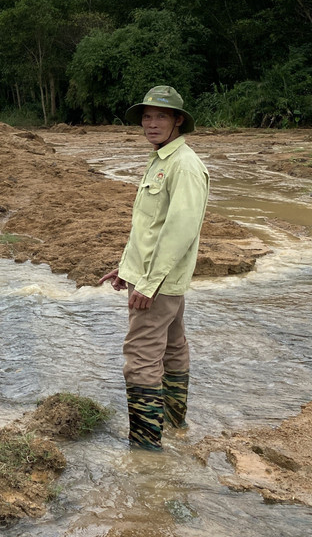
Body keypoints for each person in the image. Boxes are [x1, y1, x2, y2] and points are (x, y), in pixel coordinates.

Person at [99, 85, 210, 451]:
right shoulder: (161, 158)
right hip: (154, 279)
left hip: (157, 285)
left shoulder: (185, 165)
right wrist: (126, 270)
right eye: (147, 116)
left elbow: (180, 232)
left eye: (161, 116)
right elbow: (149, 227)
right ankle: (176, 425)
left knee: (141, 358)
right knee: (173, 347)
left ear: (178, 120)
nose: (151, 123)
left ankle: (146, 448)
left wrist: (147, 284)